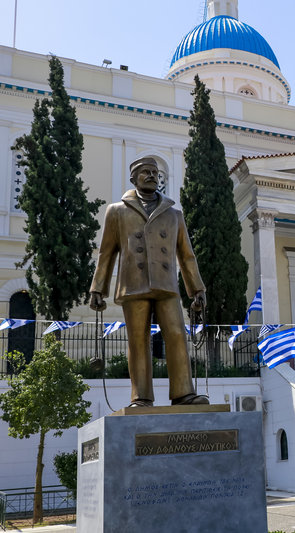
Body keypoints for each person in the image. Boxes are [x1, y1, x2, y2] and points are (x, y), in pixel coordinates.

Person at [90, 157, 208, 407]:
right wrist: (98, 288)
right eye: (145, 172)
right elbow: (106, 253)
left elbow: (186, 255)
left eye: (155, 172)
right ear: (133, 178)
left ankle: (184, 394)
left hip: (166, 284)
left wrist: (196, 288)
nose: (152, 175)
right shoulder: (117, 211)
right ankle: (141, 397)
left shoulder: (174, 214)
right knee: (138, 340)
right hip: (134, 284)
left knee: (177, 334)